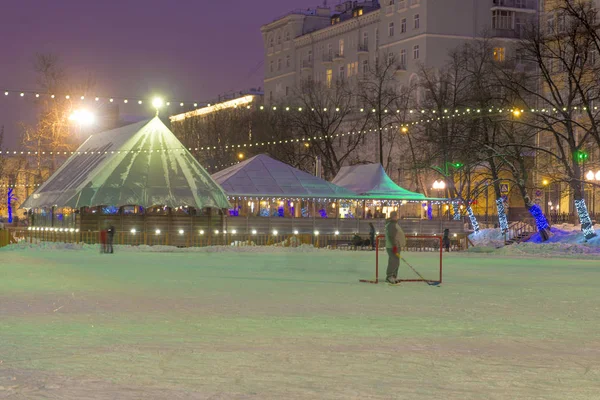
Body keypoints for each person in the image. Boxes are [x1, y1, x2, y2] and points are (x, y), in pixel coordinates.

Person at [385, 211, 406, 284]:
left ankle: (394, 276)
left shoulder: (394, 224)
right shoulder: (391, 225)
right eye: (396, 215)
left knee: (396, 262)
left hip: (396, 246)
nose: (396, 217)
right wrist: (394, 246)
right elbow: (391, 236)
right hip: (393, 246)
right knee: (393, 261)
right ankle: (389, 276)